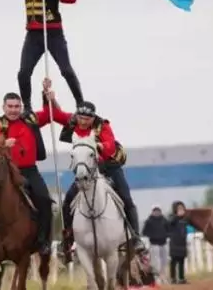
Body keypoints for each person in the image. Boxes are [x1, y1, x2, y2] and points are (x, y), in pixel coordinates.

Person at [42, 79, 145, 260]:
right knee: (67, 202)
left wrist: (99, 147)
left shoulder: (102, 125)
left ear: (93, 118)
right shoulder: (74, 121)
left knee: (126, 197)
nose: (83, 122)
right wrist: (50, 97)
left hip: (109, 166)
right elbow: (57, 115)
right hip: (86, 171)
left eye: (87, 119)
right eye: (81, 118)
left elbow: (111, 145)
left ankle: (135, 237)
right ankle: (67, 239)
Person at [0, 85, 55, 256]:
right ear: (4, 107)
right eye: (10, 106)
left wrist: (48, 96)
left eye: (17, 106)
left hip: (29, 170)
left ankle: (43, 239)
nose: (14, 110)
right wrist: (3, 143)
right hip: (4, 171)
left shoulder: (30, 120)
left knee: (44, 199)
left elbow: (48, 112)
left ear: (21, 107)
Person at [141, 205, 171, 280]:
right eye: (155, 210)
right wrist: (152, 235)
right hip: (154, 244)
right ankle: (156, 277)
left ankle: (163, 275)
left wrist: (166, 235)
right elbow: (144, 232)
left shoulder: (164, 220)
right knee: (155, 261)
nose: (157, 212)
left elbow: (169, 230)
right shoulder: (149, 221)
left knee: (164, 260)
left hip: (163, 243)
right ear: (152, 211)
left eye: (158, 210)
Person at [166, 201, 189, 284]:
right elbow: (170, 223)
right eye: (179, 208)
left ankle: (181, 278)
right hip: (174, 243)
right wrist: (176, 216)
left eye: (182, 208)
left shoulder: (185, 219)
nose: (181, 210)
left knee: (182, 261)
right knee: (173, 261)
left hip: (182, 243)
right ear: (175, 209)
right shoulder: (172, 218)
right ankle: (173, 278)